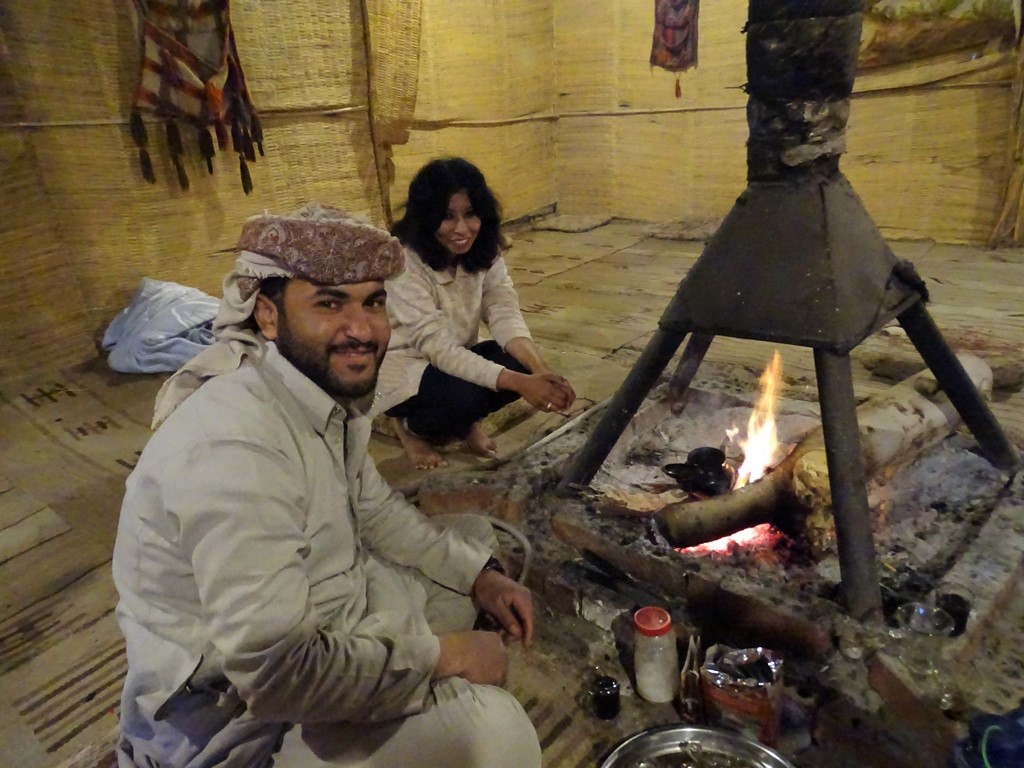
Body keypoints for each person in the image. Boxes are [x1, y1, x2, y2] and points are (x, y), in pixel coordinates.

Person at [112, 203, 541, 768]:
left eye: (373, 302)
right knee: (494, 735)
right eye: (329, 303)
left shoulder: (319, 391)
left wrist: (479, 577)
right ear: (267, 315)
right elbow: (278, 675)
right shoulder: (233, 448)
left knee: (470, 541)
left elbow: (374, 510)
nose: (361, 330)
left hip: (323, 610)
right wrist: (449, 658)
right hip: (243, 719)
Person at [374, 157, 576, 470]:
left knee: (516, 361)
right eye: (447, 217)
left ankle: (465, 424)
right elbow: (437, 347)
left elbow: (502, 310)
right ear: (426, 218)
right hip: (407, 368)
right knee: (464, 397)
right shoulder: (404, 262)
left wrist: (540, 373)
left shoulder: (484, 249)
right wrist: (521, 383)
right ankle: (410, 429)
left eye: (470, 214)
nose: (462, 229)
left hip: (455, 354)